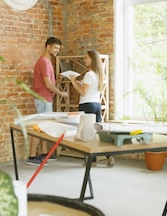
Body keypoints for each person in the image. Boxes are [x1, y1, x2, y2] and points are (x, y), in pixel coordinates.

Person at [27, 36, 69, 165]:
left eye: (58, 48)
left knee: (44, 127)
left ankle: (44, 153)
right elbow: (48, 85)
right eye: (55, 48)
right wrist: (61, 92)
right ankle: (32, 156)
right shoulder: (44, 61)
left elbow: (49, 83)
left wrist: (58, 81)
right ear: (48, 46)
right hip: (43, 98)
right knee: (39, 127)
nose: (57, 50)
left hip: (46, 97)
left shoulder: (46, 61)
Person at [70, 50, 114, 167]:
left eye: (86, 58)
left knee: (88, 134)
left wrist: (73, 82)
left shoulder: (89, 74)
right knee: (98, 133)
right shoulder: (99, 74)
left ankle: (91, 161)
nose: (84, 60)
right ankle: (109, 155)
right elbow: (88, 89)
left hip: (87, 105)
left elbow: (83, 92)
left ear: (92, 59)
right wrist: (78, 83)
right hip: (97, 105)